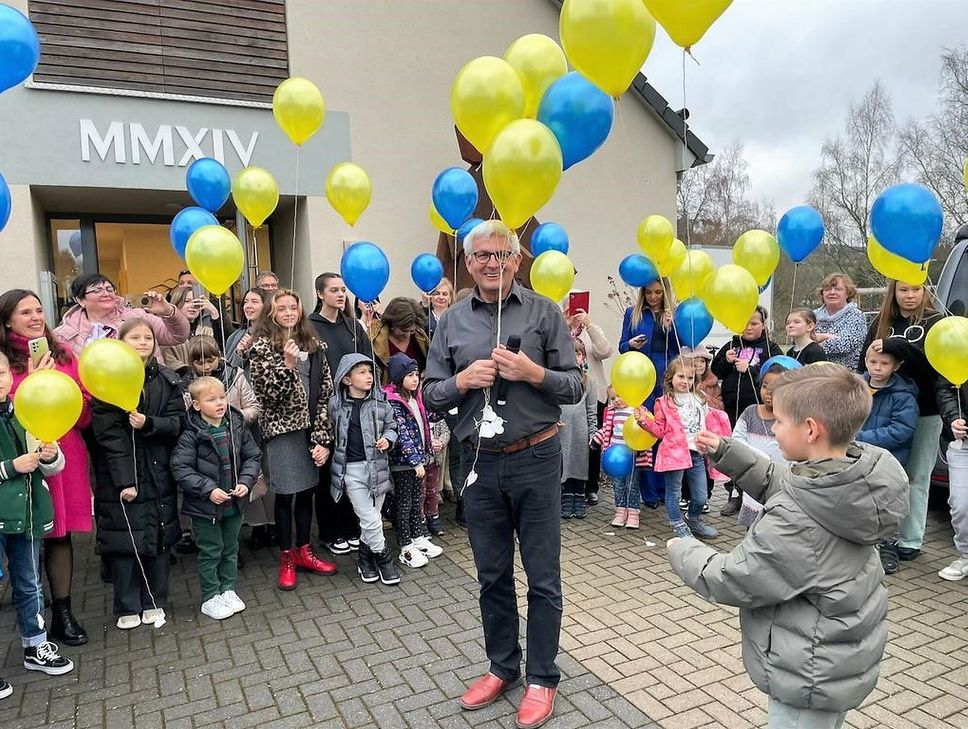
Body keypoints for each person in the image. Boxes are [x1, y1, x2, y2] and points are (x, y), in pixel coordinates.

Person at [667, 365, 908, 729]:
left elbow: (737, 578)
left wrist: (683, 548)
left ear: (810, 429)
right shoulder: (851, 477)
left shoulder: (797, 523)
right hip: (836, 659)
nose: (774, 428)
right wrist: (727, 452)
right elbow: (785, 483)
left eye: (779, 421)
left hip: (807, 675)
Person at [423, 219, 582, 729]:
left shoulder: (545, 313)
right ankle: (502, 667)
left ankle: (541, 677)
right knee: (491, 575)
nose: (493, 263)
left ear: (517, 260)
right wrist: (463, 382)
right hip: (478, 462)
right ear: (467, 264)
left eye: (502, 254)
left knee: (542, 578)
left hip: (536, 457)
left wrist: (532, 373)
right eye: (482, 256)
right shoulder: (450, 322)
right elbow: (429, 392)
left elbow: (575, 387)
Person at [0, 289, 92, 646]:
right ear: (8, 320)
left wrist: (67, 387)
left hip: (61, 453)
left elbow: (83, 411)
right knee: (25, 537)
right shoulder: (6, 360)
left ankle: (63, 612)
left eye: (39, 309)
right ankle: (30, 613)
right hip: (19, 457)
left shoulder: (63, 353)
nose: (36, 317)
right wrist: (34, 379)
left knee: (59, 533)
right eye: (26, 312)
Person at [91, 319, 184, 630]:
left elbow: (177, 423)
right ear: (121, 342)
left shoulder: (167, 380)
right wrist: (125, 480)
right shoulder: (106, 385)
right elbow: (109, 438)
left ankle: (155, 600)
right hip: (122, 475)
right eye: (135, 337)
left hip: (159, 470)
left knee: (158, 536)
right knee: (124, 539)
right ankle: (126, 604)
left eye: (148, 337)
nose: (143, 342)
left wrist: (149, 424)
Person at [247, 289, 338, 590]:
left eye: (293, 307)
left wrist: (323, 438)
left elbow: (325, 394)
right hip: (281, 432)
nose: (288, 313)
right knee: (286, 494)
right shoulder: (261, 348)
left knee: (308, 492)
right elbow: (268, 397)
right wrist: (287, 366)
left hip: (310, 431)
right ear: (271, 313)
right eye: (281, 308)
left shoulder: (314, 345)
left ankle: (304, 550)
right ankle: (286, 557)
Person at [0, 351, 74, 695]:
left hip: (27, 515)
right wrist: (13, 466)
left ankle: (35, 644)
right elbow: (17, 466)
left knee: (30, 583)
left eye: (1, 372)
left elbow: (52, 468)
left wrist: (50, 454)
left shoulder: (25, 410)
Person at [859, 281, 944, 564]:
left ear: (925, 292)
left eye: (916, 290)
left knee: (916, 476)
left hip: (925, 410)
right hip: (882, 409)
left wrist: (898, 346)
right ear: (893, 292)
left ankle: (910, 538)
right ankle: (881, 537)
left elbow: (932, 367)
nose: (910, 296)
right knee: (881, 478)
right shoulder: (881, 322)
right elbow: (865, 363)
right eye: (903, 290)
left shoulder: (936, 321)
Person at [170, 377, 262, 620]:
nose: (220, 403)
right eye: (211, 399)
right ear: (197, 405)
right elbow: (180, 467)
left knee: (231, 548)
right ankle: (211, 596)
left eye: (222, 397)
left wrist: (245, 482)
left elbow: (252, 456)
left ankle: (228, 590)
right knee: (211, 550)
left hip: (234, 502)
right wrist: (208, 489)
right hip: (205, 508)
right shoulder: (191, 433)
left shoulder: (235, 425)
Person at [309, 272, 372, 555]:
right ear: (320, 294)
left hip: (354, 405)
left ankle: (351, 526)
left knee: (352, 468)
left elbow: (368, 363)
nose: (340, 294)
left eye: (343, 289)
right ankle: (330, 531)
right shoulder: (310, 327)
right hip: (324, 408)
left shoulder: (353, 327)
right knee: (328, 472)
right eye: (333, 290)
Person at [637, 357, 730, 540]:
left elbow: (710, 420)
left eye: (689, 378)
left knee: (701, 496)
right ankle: (677, 524)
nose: (685, 381)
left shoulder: (700, 397)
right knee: (673, 492)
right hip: (675, 454)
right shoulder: (663, 402)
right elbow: (660, 430)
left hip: (696, 453)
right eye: (680, 376)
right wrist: (644, 422)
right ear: (670, 377)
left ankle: (693, 519)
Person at [329, 353, 400, 585]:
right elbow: (328, 431)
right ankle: (385, 558)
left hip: (377, 469)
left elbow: (392, 426)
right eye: (361, 372)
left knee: (372, 518)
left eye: (370, 372)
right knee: (369, 517)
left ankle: (365, 559)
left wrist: (388, 439)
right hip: (350, 470)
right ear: (346, 379)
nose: (369, 376)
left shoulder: (381, 402)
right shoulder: (336, 405)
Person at [710, 306, 782, 516]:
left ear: (763, 325)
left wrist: (750, 369)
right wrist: (726, 360)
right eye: (744, 323)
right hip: (732, 409)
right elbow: (716, 371)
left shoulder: (771, 347)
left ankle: (761, 494)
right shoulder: (731, 344)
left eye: (754, 323)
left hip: (760, 412)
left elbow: (778, 374)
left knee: (758, 453)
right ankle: (734, 494)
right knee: (735, 451)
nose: (748, 328)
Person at [856, 347, 919, 574]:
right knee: (860, 500)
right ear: (866, 361)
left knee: (885, 503)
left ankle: (888, 545)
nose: (877, 368)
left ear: (896, 366)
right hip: (857, 457)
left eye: (884, 364)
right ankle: (861, 547)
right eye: (873, 362)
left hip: (888, 460)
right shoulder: (856, 386)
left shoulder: (903, 395)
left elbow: (903, 429)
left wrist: (861, 438)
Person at [619, 280, 678, 508]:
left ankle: (665, 490)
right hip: (640, 378)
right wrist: (631, 344)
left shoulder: (671, 315)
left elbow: (679, 347)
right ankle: (649, 493)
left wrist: (670, 327)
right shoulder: (632, 313)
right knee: (644, 429)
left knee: (664, 432)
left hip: (664, 377)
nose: (653, 297)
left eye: (657, 293)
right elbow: (621, 346)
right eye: (649, 292)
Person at [384, 354, 444, 568]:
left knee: (415, 502)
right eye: (410, 375)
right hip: (404, 463)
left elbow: (429, 418)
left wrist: (446, 403)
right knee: (404, 503)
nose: (415, 379)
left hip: (419, 459)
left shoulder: (415, 397)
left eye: (417, 374)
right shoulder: (394, 403)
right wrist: (415, 461)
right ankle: (405, 546)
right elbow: (402, 435)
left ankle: (418, 538)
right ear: (399, 377)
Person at [54, 273, 190, 358]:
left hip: (143, 391)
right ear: (80, 300)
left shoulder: (137, 316)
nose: (106, 293)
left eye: (109, 289)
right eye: (97, 290)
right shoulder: (64, 333)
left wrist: (168, 311)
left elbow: (178, 336)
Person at [565, 302, 613, 506]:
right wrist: (566, 325)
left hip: (594, 392)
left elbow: (605, 351)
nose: (575, 312)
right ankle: (567, 486)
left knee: (592, 440)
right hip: (568, 393)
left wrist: (590, 326)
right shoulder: (561, 328)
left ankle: (591, 487)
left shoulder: (593, 329)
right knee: (569, 443)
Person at [732, 364, 787, 528]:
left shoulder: (790, 417)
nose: (769, 392)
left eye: (776, 388)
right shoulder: (750, 412)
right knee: (753, 528)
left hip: (780, 482)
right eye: (765, 386)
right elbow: (737, 439)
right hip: (754, 479)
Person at [591, 387, 649, 527]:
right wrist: (596, 439)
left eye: (619, 396)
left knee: (632, 485)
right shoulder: (613, 413)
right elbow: (606, 429)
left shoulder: (637, 411)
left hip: (632, 455)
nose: (616, 400)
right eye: (612, 398)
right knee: (618, 485)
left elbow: (646, 428)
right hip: (616, 456)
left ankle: (633, 513)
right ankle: (620, 512)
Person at [559, 340, 598, 520]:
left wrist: (593, 433)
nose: (575, 358)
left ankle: (579, 495)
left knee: (579, 462)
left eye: (578, 354)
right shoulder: (558, 380)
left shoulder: (589, 382)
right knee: (564, 462)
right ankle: (566, 496)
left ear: (583, 357)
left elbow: (591, 411)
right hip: (562, 429)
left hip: (580, 431)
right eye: (570, 354)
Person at [936, 375, 968, 581]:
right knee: (960, 505)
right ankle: (965, 556)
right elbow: (945, 388)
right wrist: (953, 417)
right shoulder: (962, 346)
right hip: (962, 443)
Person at [161, 286, 224, 375]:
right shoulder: (167, 333)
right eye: (187, 301)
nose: (193, 305)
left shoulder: (206, 331)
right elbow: (169, 362)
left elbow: (222, 349)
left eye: (196, 301)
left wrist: (214, 313)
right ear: (176, 303)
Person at [813, 273, 867, 370]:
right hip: (815, 373)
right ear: (822, 293)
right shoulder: (812, 315)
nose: (832, 292)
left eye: (838, 289)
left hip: (846, 374)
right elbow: (797, 339)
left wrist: (814, 343)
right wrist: (827, 336)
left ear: (848, 293)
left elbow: (844, 344)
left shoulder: (857, 315)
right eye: (828, 289)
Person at [370, 297, 430, 385]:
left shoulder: (421, 337)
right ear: (392, 323)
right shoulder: (375, 339)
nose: (408, 334)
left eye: (412, 330)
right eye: (404, 330)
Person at [225, 287, 268, 372]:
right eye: (246, 302)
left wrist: (251, 351)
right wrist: (239, 354)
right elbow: (229, 371)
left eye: (254, 302)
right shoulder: (235, 337)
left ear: (266, 306)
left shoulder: (276, 335)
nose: (248, 306)